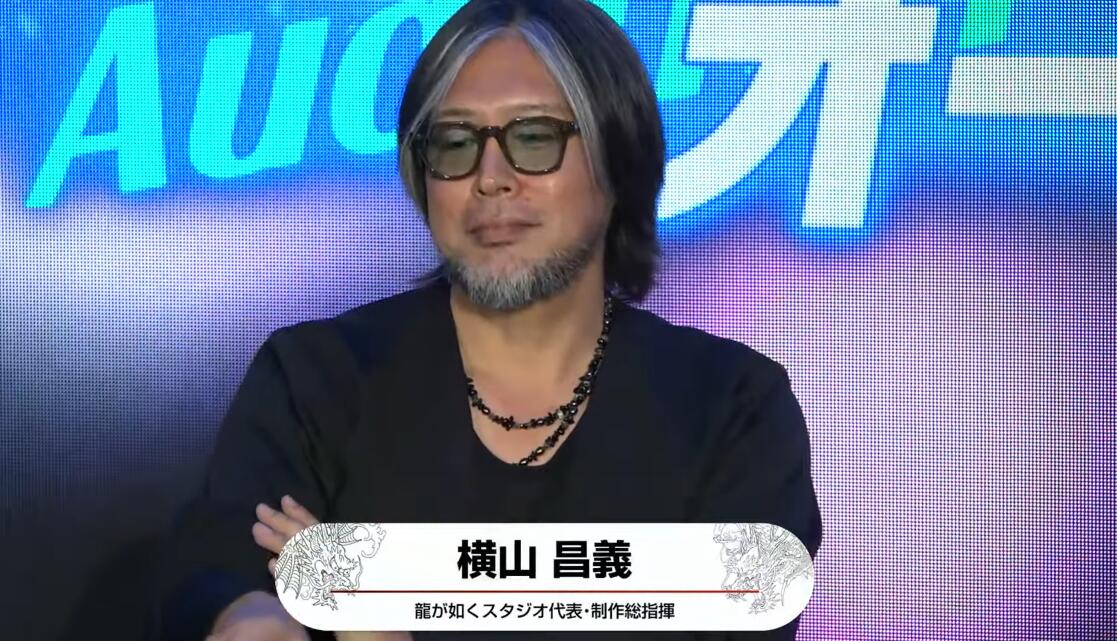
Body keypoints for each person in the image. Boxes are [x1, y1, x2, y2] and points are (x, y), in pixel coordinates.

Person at [150, 1, 823, 640]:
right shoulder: (317, 379)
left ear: (617, 163)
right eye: (454, 143)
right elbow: (224, 561)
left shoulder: (731, 407)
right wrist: (252, 614)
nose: (490, 178)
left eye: (533, 138)